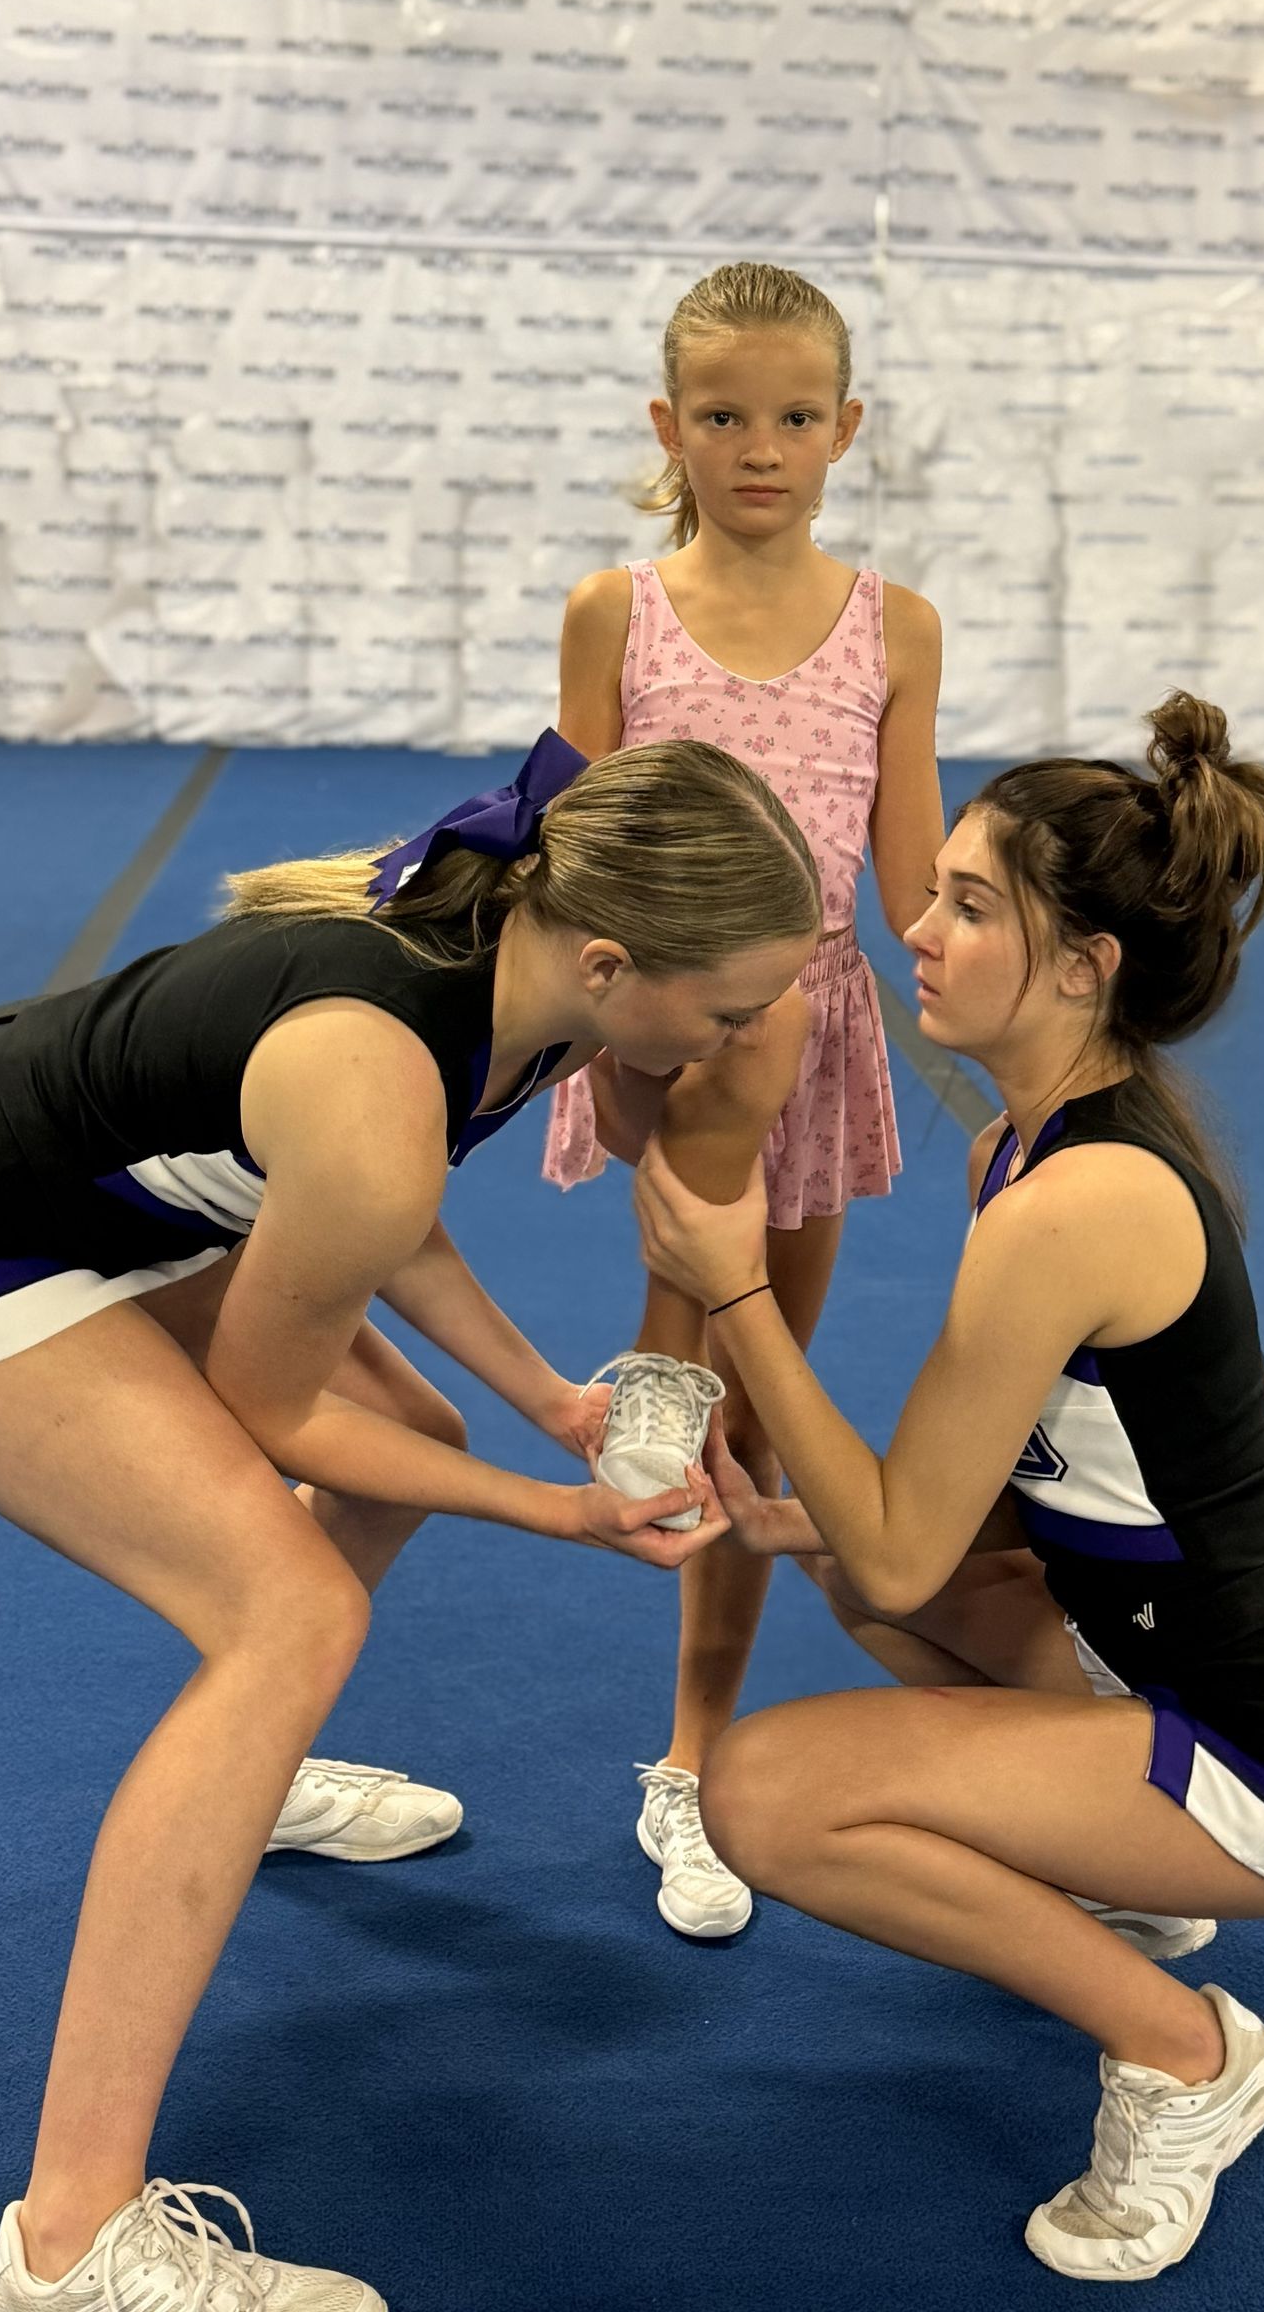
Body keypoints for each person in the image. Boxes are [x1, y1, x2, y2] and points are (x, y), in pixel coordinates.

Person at [0, 733, 821, 2312]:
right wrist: (559, 1511)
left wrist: (546, 1394)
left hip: (97, 1178)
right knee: (287, 1615)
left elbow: (379, 1206)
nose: (747, 1036)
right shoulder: (387, 1072)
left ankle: (250, 1774)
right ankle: (70, 2243)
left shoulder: (527, 974)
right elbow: (285, 1385)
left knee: (400, 1437)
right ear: (619, 964)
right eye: (731, 1009)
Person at [632, 695, 1264, 2283]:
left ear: (1086, 965)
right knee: (850, 1567)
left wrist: (729, 1293)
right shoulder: (1034, 1145)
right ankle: (1122, 1875)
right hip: (1177, 1651)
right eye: (934, 890)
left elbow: (913, 1547)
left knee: (765, 1794)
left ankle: (1188, 2055)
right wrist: (815, 1527)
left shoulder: (1078, 1202)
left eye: (970, 905)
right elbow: (1017, 1490)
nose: (914, 926)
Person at [543, 259, 945, 1941]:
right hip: (662, 1034)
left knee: (758, 1404)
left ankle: (700, 1749)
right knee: (690, 1373)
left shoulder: (892, 626)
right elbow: (566, 852)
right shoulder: (616, 612)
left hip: (819, 1032)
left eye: (795, 416)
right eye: (724, 415)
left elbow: (916, 877)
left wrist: (1050, 982)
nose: (760, 445)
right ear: (670, 426)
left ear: (847, 429)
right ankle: (655, 1385)